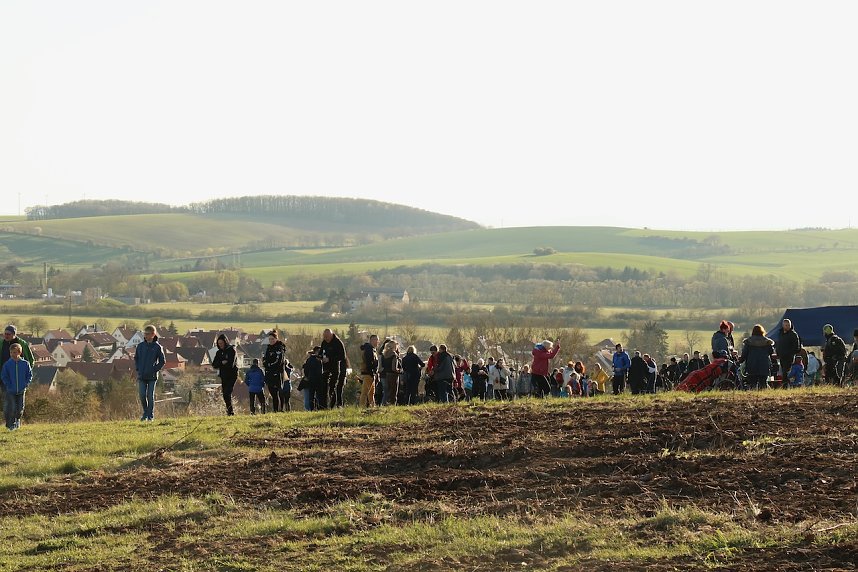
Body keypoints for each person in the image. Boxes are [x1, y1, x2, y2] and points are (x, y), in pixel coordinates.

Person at [134, 324, 165, 421]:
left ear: (153, 334)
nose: (145, 336)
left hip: (152, 376)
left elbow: (162, 361)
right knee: (142, 395)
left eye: (147, 334)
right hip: (142, 375)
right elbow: (136, 358)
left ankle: (150, 416)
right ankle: (145, 413)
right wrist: (138, 369)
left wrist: (154, 369)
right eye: (145, 334)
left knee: (150, 396)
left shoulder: (157, 347)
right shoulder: (140, 346)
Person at [2, 343, 32, 430]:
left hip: (21, 390)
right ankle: (12, 425)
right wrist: (8, 385)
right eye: (11, 352)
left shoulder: (25, 364)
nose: (13, 354)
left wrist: (26, 384)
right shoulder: (7, 364)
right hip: (11, 390)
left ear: (19, 353)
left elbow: (29, 375)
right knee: (12, 408)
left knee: (20, 409)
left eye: (15, 352)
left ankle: (17, 421)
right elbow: (4, 376)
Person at [739, 324, 775, 391]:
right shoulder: (767, 342)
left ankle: (753, 398)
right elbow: (771, 352)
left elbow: (744, 354)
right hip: (764, 365)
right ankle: (764, 398)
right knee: (763, 384)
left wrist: (740, 361)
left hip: (751, 365)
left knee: (752, 384)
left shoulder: (748, 342)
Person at [320, 328, 348, 408]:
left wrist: (330, 359)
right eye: (324, 336)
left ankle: (333, 405)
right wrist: (320, 357)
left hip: (336, 368)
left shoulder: (338, 343)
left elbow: (343, 356)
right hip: (325, 368)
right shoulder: (324, 342)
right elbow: (321, 352)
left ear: (331, 335)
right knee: (323, 388)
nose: (326, 338)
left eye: (327, 336)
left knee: (332, 387)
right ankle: (323, 406)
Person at [212, 333, 239, 416]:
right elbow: (214, 365)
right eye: (219, 344)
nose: (220, 345)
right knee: (225, 395)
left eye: (222, 343)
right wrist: (222, 362)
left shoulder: (232, 350)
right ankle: (229, 411)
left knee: (227, 392)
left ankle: (230, 412)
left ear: (225, 342)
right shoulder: (219, 352)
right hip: (223, 376)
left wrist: (222, 364)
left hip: (232, 375)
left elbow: (231, 364)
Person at [263, 330, 287, 412]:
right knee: (273, 393)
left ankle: (281, 409)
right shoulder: (268, 348)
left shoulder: (279, 348)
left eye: (272, 339)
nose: (271, 341)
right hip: (269, 373)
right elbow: (264, 360)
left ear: (276, 339)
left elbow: (278, 361)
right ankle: (275, 410)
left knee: (279, 391)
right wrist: (266, 364)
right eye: (269, 339)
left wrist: (269, 365)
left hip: (278, 373)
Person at [358, 335, 379, 408]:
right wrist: (372, 373)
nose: (377, 342)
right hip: (368, 373)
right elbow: (369, 362)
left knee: (368, 392)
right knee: (367, 392)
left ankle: (370, 406)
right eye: (375, 340)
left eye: (377, 340)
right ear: (371, 341)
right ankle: (365, 406)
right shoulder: (369, 350)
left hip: (368, 373)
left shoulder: (371, 349)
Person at [302, 346, 324, 411]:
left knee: (312, 395)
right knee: (317, 395)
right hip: (316, 379)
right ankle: (318, 408)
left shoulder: (310, 359)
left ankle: (313, 408)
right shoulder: (315, 359)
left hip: (312, 379)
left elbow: (305, 369)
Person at [379, 340, 401, 406]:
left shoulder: (383, 354)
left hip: (384, 375)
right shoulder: (394, 355)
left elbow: (380, 366)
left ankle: (383, 404)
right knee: (393, 392)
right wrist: (399, 371)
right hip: (393, 375)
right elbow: (394, 368)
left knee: (386, 392)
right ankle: (392, 405)